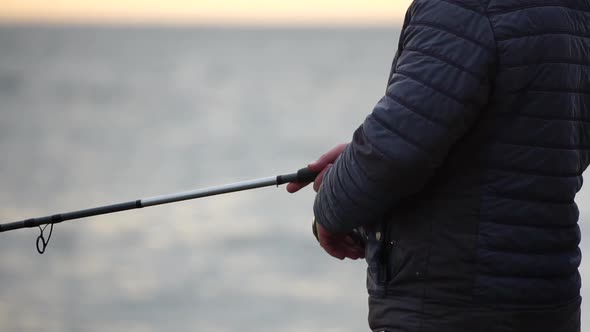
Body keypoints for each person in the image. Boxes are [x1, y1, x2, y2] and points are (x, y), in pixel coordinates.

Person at [287, 0, 590, 331]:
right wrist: (355, 160)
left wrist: (330, 209)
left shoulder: (461, 8)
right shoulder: (575, 10)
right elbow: (548, 142)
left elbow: (395, 151)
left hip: (450, 307)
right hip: (549, 303)